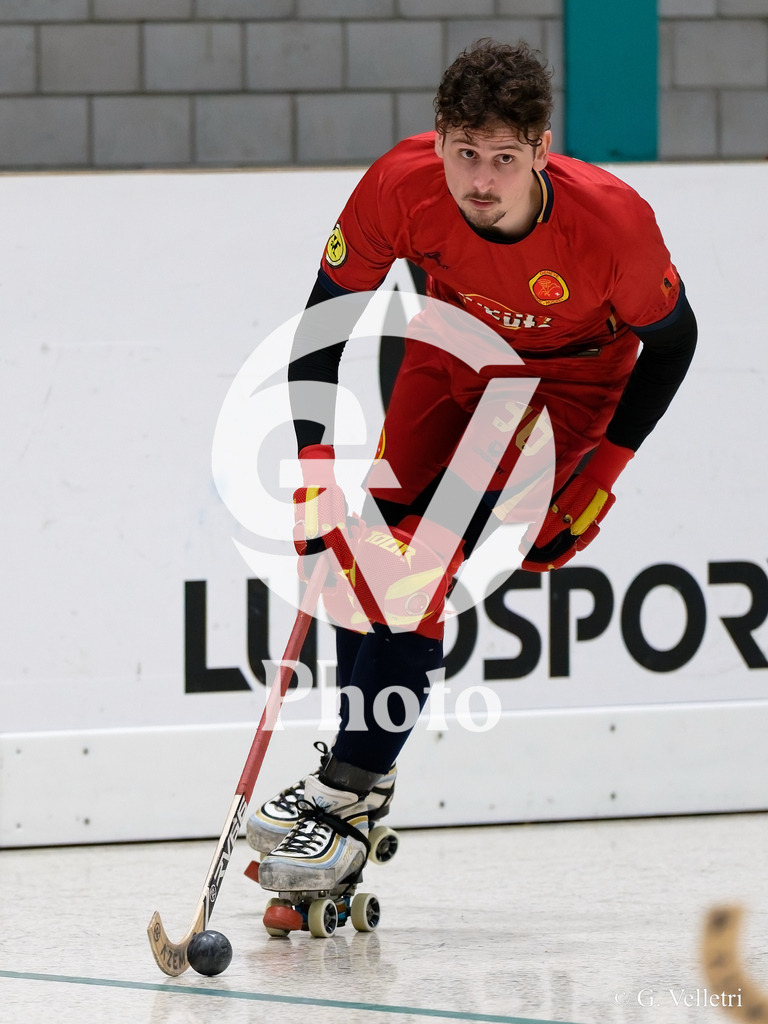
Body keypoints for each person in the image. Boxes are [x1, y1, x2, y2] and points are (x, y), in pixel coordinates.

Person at [246, 38, 697, 894]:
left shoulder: (614, 227)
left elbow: (675, 342)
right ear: (438, 136)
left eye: (503, 160)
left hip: (557, 393)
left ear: (541, 150)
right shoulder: (398, 186)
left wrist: (602, 471)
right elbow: (319, 331)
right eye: (464, 155)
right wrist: (315, 469)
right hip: (447, 359)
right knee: (358, 566)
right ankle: (354, 785)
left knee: (413, 571)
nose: (480, 181)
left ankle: (343, 797)